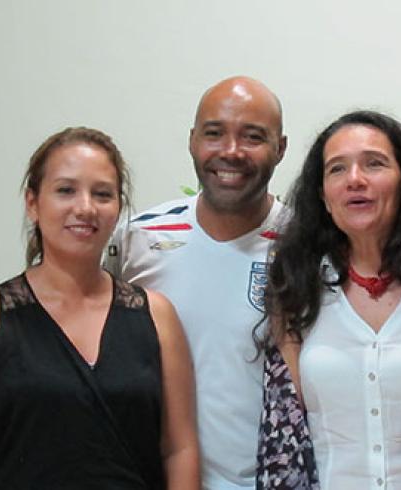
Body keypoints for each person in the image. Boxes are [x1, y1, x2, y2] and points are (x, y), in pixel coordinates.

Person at [0, 127, 199, 489]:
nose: (85, 208)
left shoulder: (156, 316)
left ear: (118, 208)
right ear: (33, 202)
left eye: (102, 194)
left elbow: (179, 448)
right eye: (66, 190)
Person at [263, 110, 401, 488]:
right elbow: (288, 434)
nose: (355, 180)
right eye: (337, 169)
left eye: (374, 164)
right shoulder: (296, 289)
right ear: (323, 197)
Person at [106, 76, 288, 489]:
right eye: (214, 133)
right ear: (192, 140)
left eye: (253, 136)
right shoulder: (138, 238)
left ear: (280, 148)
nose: (231, 151)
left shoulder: (308, 247)